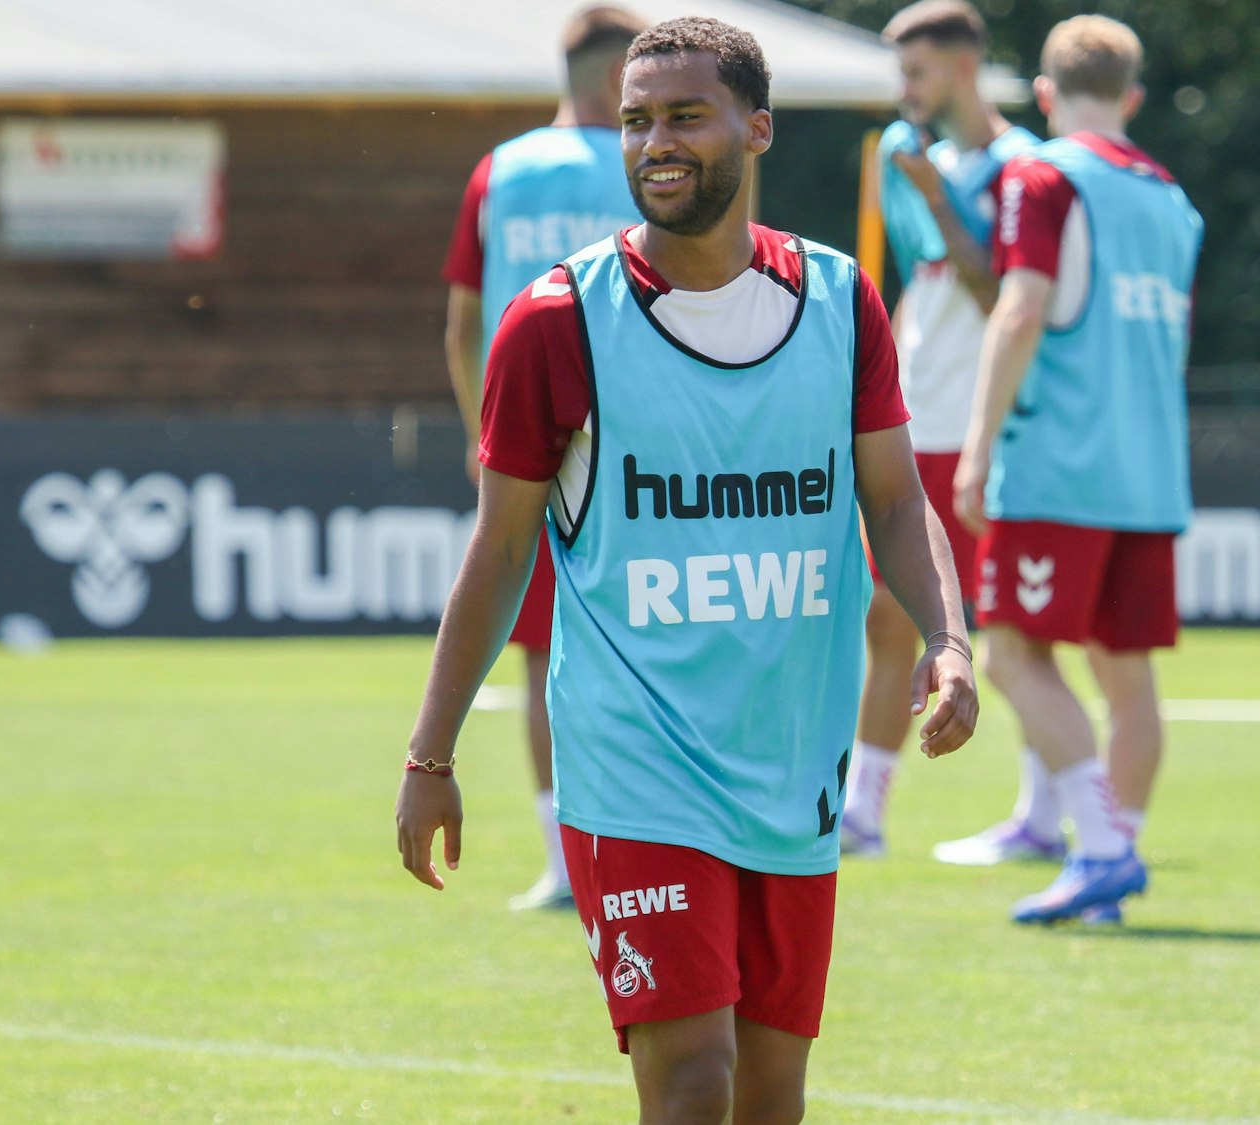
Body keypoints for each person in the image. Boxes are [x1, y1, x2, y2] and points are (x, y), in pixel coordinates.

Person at [398, 18, 978, 1124]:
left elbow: (895, 499)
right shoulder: (557, 323)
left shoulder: (838, 300)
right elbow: (500, 547)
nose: (652, 142)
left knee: (770, 1099)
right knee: (692, 1083)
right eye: (633, 119)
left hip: (790, 767)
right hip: (636, 773)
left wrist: (946, 640)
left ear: (755, 129)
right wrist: (430, 752)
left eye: (682, 116)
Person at [954, 15, 1202, 926]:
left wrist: (978, 445)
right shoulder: (1174, 199)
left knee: (1013, 657)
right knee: (1128, 679)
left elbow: (1021, 309)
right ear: (1132, 98)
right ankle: (1114, 859)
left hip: (1062, 462)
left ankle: (1098, 849)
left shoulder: (1045, 173)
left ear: (1046, 96)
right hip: (1149, 472)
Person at [834, 0, 1050, 864]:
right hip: (919, 414)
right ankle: (866, 811)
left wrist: (936, 198)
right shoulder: (923, 157)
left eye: (916, 71)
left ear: (962, 67)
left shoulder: (1023, 166)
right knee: (887, 616)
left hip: (982, 427)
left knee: (1011, 633)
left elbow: (1004, 297)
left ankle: (1044, 811)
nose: (905, 90)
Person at [442, 4, 647, 910]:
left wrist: (483, 439)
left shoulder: (500, 169)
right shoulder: (655, 165)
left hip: (528, 447)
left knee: (540, 658)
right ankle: (655, 837)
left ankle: (565, 862)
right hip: (642, 445)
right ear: (618, 80)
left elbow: (458, 329)